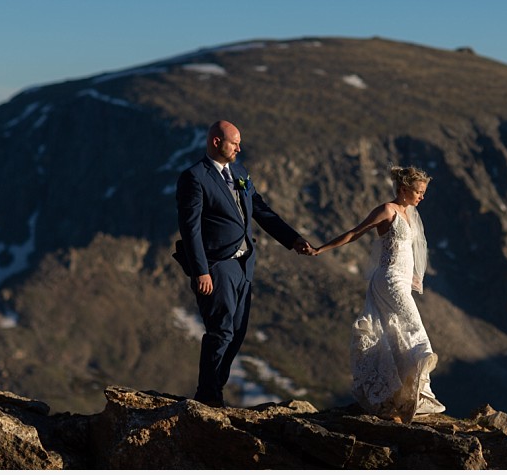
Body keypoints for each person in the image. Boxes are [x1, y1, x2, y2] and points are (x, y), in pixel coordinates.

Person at [175, 120, 315, 407]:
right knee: (221, 330)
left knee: (237, 331)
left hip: (244, 264)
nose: (240, 148)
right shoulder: (194, 177)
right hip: (217, 266)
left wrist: (293, 240)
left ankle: (214, 390)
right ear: (216, 142)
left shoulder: (239, 172)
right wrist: (201, 270)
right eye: (234, 143)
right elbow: (190, 229)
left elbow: (261, 210)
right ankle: (208, 396)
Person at [314, 165, 445, 422]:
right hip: (388, 279)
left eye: (423, 192)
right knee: (415, 331)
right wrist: (321, 249)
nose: (421, 197)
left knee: (396, 333)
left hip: (402, 280)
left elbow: (411, 249)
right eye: (418, 192)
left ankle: (399, 397)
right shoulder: (387, 210)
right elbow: (355, 232)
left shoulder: (411, 213)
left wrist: (414, 276)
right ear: (404, 189)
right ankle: (419, 396)